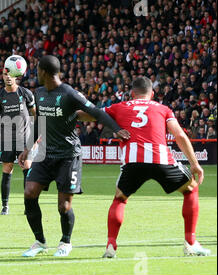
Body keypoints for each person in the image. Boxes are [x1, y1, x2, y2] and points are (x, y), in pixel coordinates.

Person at [79, 76, 210, 257]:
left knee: (120, 199)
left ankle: (111, 245)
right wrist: (195, 164)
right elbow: (179, 135)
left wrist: (71, 111)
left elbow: (91, 114)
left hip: (133, 161)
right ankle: (191, 243)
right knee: (191, 190)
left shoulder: (119, 106)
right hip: (160, 159)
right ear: (153, 93)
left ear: (132, 93)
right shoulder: (163, 109)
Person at [17, 55, 130, 257]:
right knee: (29, 193)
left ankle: (65, 242)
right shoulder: (39, 93)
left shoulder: (69, 94)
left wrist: (117, 128)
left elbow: (96, 112)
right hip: (45, 154)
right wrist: (27, 148)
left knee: (64, 205)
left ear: (44, 72)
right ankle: (40, 241)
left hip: (69, 156)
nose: (35, 73)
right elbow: (39, 124)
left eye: (37, 70)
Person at [0, 67, 36, 215]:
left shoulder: (25, 93)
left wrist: (37, 134)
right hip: (7, 140)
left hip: (24, 139)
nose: (7, 77)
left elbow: (35, 114)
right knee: (7, 171)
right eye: (5, 74)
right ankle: (5, 206)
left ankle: (28, 205)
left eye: (10, 74)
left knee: (27, 169)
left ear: (16, 76)